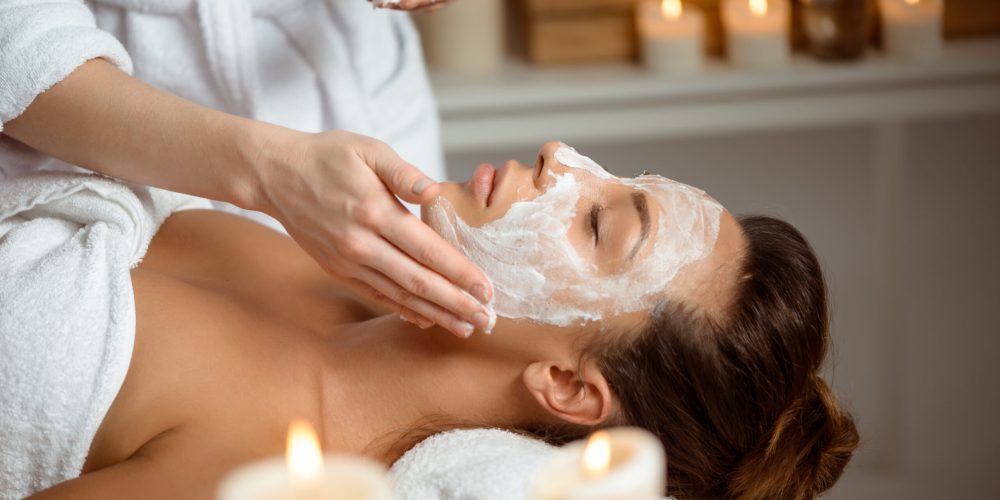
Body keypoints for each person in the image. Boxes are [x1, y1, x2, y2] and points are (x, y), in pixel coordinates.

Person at [2, 141, 858, 499]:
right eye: (608, 174)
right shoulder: (330, 235)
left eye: (599, 222)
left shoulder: (260, 466)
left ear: (565, 385)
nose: (563, 158)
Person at [0, 0, 493, 338]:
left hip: (353, 80)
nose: (556, 151)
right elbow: (19, 43)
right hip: (111, 113)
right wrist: (267, 172)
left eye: (576, 218)